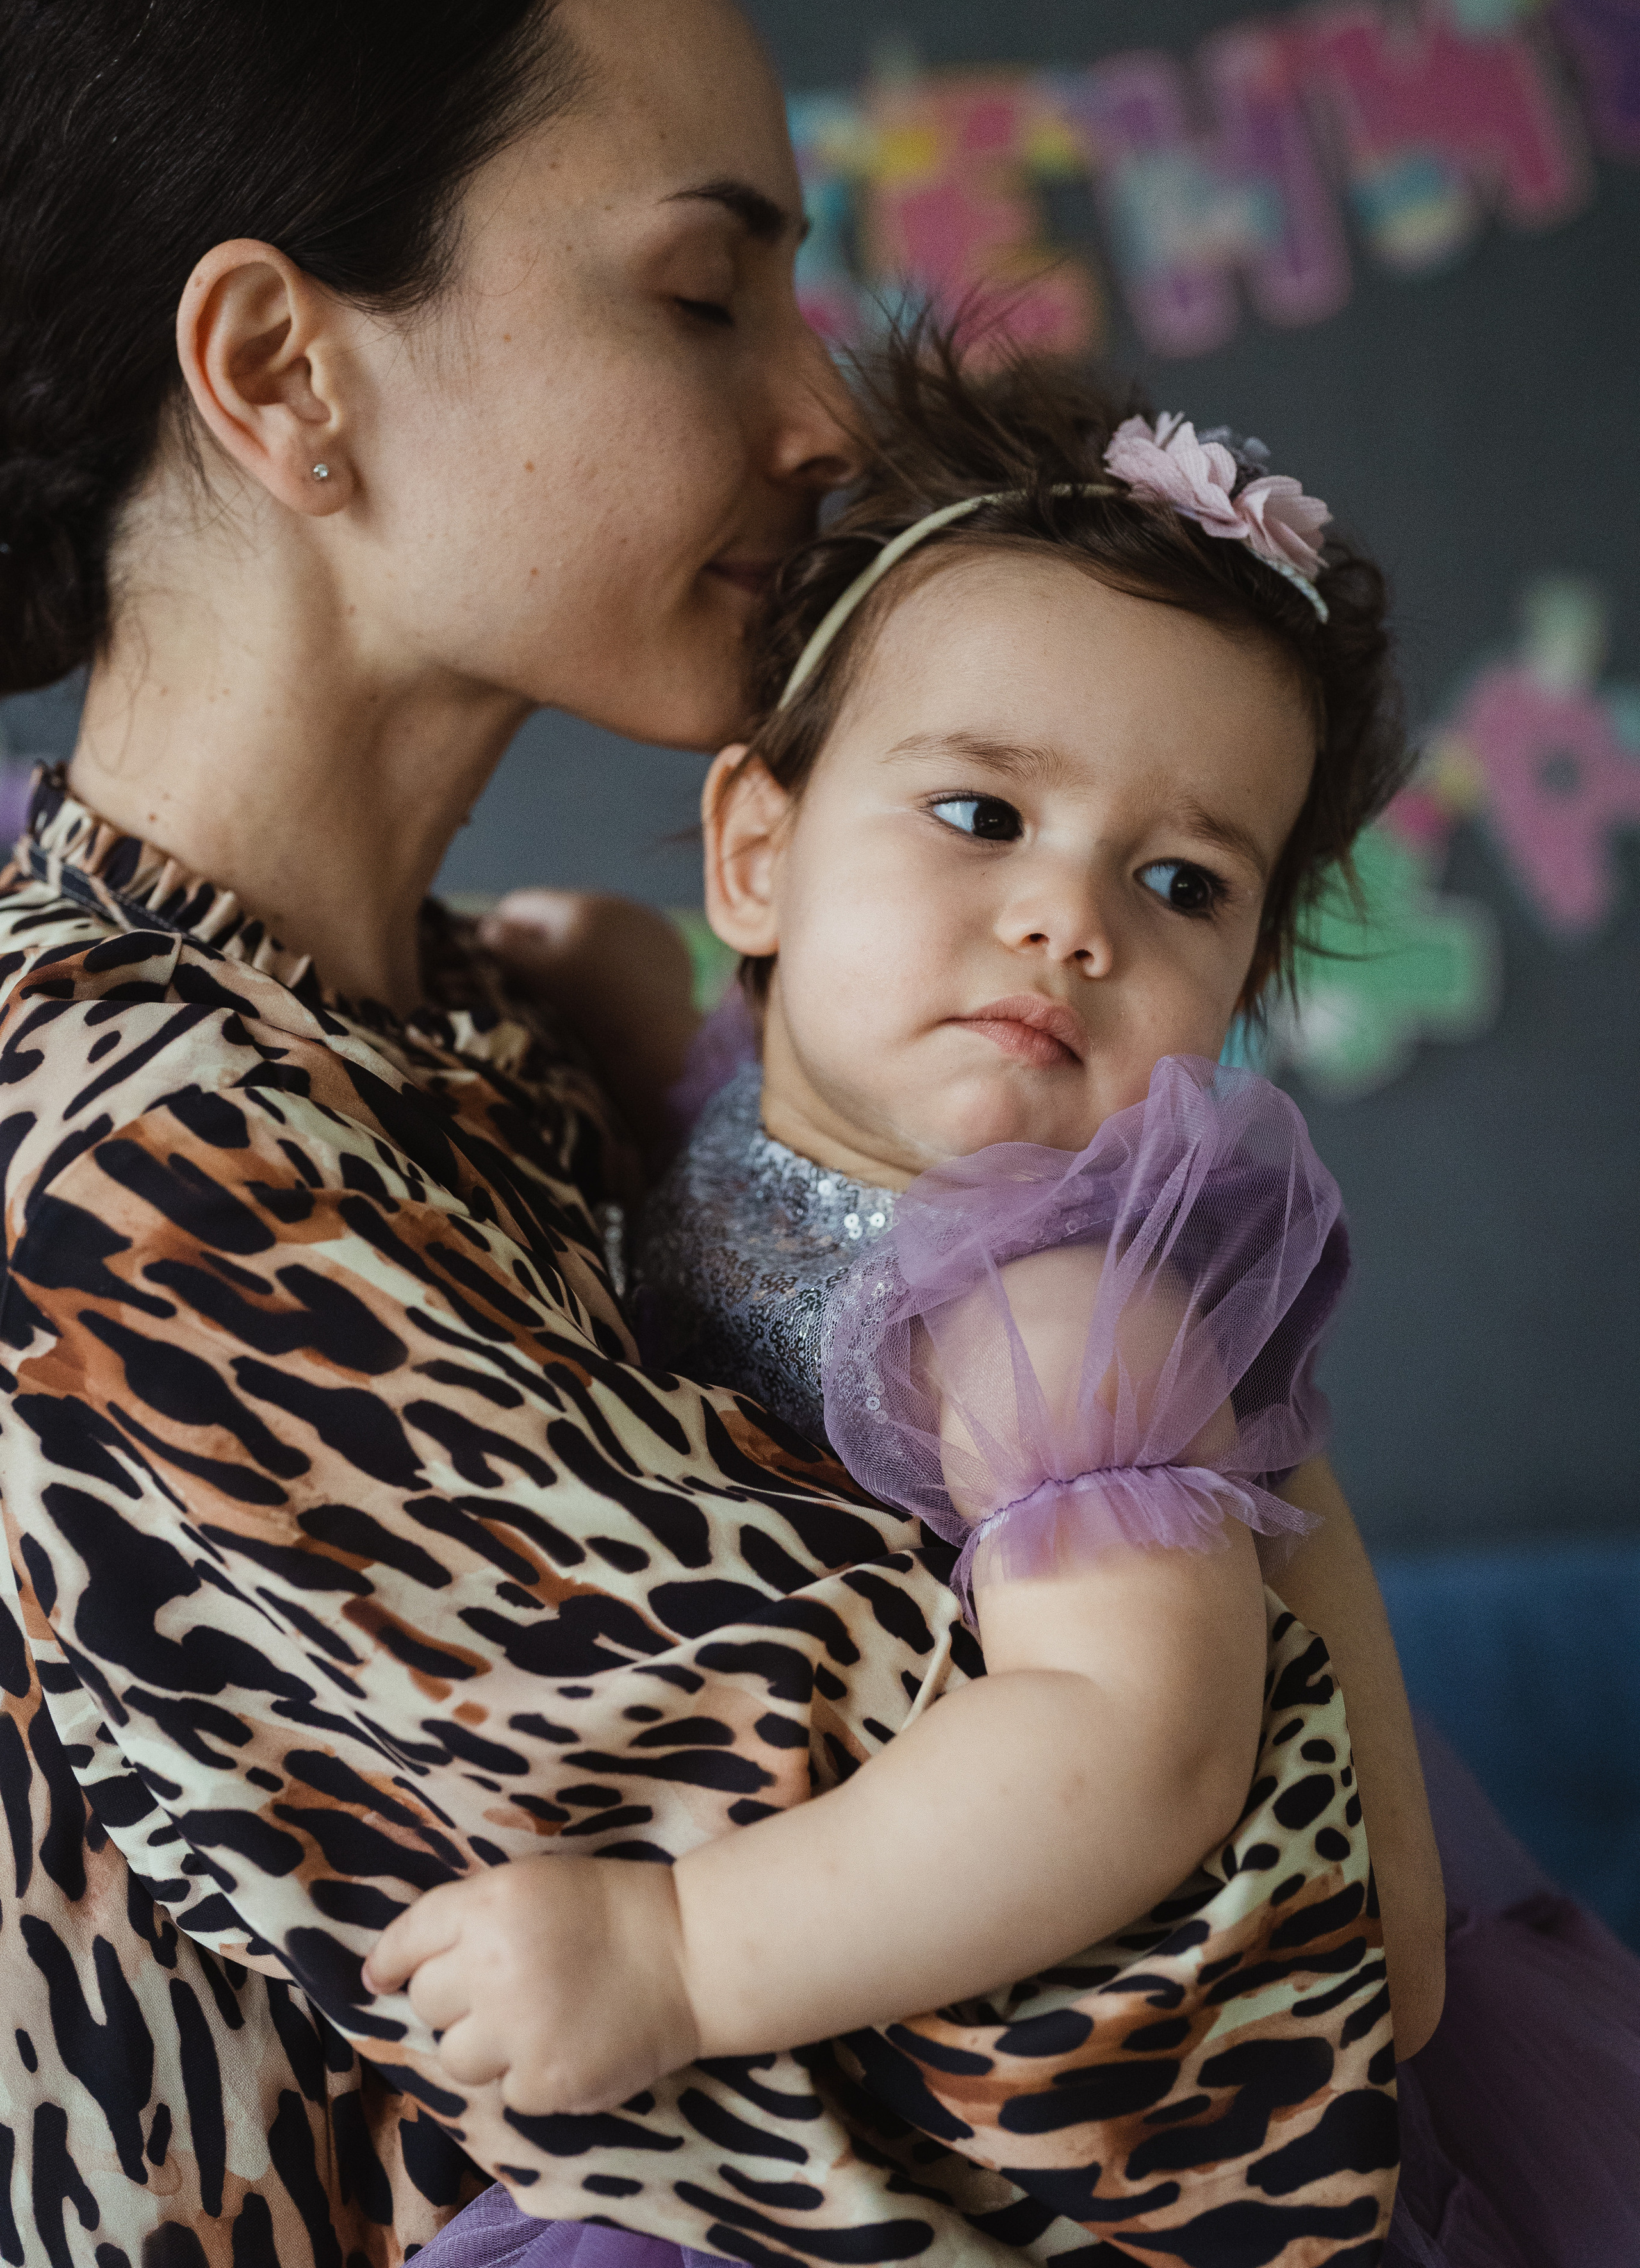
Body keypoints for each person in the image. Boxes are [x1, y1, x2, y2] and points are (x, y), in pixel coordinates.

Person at [0, 0, 1442, 2260]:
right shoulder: (125, 1176)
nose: (823, 424)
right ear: (280, 372)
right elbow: (1212, 2047)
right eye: (707, 300)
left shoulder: (486, 1038)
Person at [400, 341, 1640, 2268]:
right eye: (982, 815)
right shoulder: (760, 1116)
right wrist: (592, 984)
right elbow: (722, 1138)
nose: (1076, 921)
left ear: (1237, 994)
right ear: (758, 852)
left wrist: (683, 1955)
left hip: (1056, 2121)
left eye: (1180, 880)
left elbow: (1122, 1748)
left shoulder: (1057, 1311)